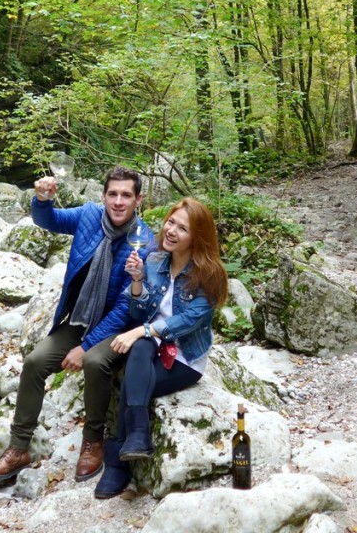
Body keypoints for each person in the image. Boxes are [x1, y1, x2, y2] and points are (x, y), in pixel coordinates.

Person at [0, 166, 156, 483]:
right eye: (113, 194)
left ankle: (93, 441)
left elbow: (125, 308)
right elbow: (49, 221)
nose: (118, 202)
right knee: (35, 362)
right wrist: (42, 200)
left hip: (117, 325)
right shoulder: (90, 216)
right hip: (80, 317)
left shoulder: (144, 243)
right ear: (103, 196)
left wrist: (85, 347)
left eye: (126, 195)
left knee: (93, 361)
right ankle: (19, 447)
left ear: (138, 200)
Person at [93, 197, 229, 499]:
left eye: (182, 228)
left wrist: (142, 331)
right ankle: (138, 435)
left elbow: (188, 321)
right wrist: (138, 282)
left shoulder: (210, 274)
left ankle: (117, 464)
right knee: (140, 350)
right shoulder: (154, 261)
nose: (171, 231)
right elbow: (140, 312)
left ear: (197, 237)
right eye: (171, 222)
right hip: (151, 347)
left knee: (133, 379)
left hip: (185, 358)